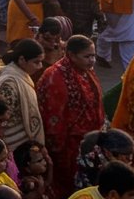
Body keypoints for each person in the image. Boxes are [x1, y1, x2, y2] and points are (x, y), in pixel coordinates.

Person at [37, 36, 102, 195]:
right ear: (71, 55)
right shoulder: (55, 77)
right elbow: (53, 118)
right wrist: (58, 149)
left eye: (93, 56)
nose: (92, 60)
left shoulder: (86, 71)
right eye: (87, 56)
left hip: (88, 141)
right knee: (67, 183)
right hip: (67, 145)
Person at [0, 39, 43, 153]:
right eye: (36, 62)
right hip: (12, 143)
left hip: (20, 140)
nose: (40, 66)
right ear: (22, 59)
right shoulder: (9, 83)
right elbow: (0, 120)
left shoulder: (18, 74)